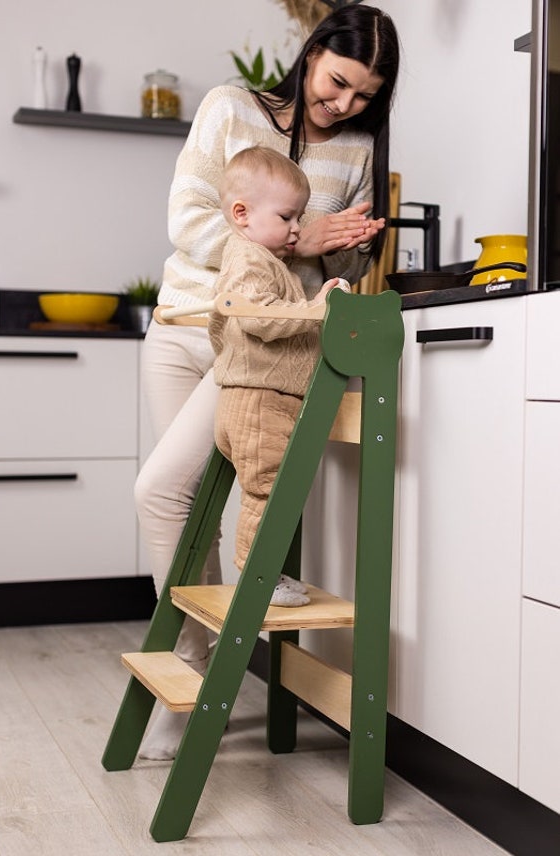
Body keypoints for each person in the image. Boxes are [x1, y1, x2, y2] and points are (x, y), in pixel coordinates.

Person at [135, 4, 400, 760]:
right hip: (179, 325)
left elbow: (329, 274)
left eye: (364, 95)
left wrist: (338, 250)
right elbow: (188, 219)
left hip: (251, 347)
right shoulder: (229, 108)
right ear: (312, 53)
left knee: (160, 490)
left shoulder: (354, 152)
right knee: (182, 512)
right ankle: (196, 672)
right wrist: (298, 237)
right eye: (338, 81)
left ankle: (198, 678)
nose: (344, 104)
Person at [210, 145, 350, 607]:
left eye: (299, 218)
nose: (297, 229)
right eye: (288, 217)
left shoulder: (263, 261)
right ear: (242, 213)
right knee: (268, 489)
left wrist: (314, 301)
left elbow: (229, 324)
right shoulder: (250, 260)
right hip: (260, 402)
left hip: (249, 399)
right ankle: (258, 576)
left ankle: (265, 571)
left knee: (265, 489)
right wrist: (317, 310)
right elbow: (258, 319)